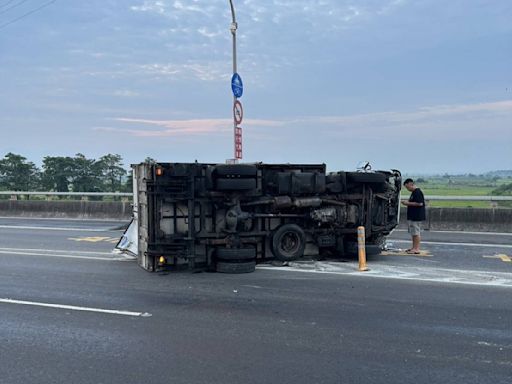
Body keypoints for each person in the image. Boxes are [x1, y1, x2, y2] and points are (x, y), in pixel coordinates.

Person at [401, 178, 426, 254]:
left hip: (416, 216)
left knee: (416, 232)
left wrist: (407, 203)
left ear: (411, 184)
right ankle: (414, 247)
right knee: (413, 233)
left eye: (407, 187)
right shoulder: (413, 192)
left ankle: (416, 248)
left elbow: (420, 203)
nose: (407, 189)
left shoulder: (417, 192)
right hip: (412, 216)